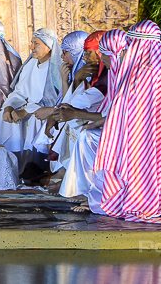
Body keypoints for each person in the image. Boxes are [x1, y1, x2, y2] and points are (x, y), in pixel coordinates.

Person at [90, 20, 161, 223]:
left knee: (142, 162)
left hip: (144, 137)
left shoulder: (140, 74)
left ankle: (141, 200)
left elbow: (125, 114)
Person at [59, 29, 126, 200]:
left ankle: (92, 189)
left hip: (127, 131)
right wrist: (76, 80)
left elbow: (119, 115)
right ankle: (80, 184)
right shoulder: (109, 74)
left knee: (84, 134)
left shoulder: (119, 76)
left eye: (89, 53)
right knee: (80, 128)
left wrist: (76, 114)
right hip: (112, 124)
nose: (85, 58)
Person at [0, 28, 62, 171]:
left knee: (35, 119)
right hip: (26, 107)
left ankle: (33, 167)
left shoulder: (56, 69)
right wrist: (9, 106)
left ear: (49, 46)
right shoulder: (30, 64)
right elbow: (19, 92)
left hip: (44, 111)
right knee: (5, 116)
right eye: (31, 42)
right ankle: (4, 164)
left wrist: (26, 111)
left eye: (36, 43)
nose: (32, 47)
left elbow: (54, 101)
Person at [35, 30, 106, 171]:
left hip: (99, 122)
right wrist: (73, 80)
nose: (85, 58)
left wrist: (55, 112)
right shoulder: (86, 72)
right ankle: (62, 170)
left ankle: (67, 172)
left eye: (88, 53)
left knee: (74, 126)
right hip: (89, 116)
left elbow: (79, 102)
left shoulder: (103, 76)